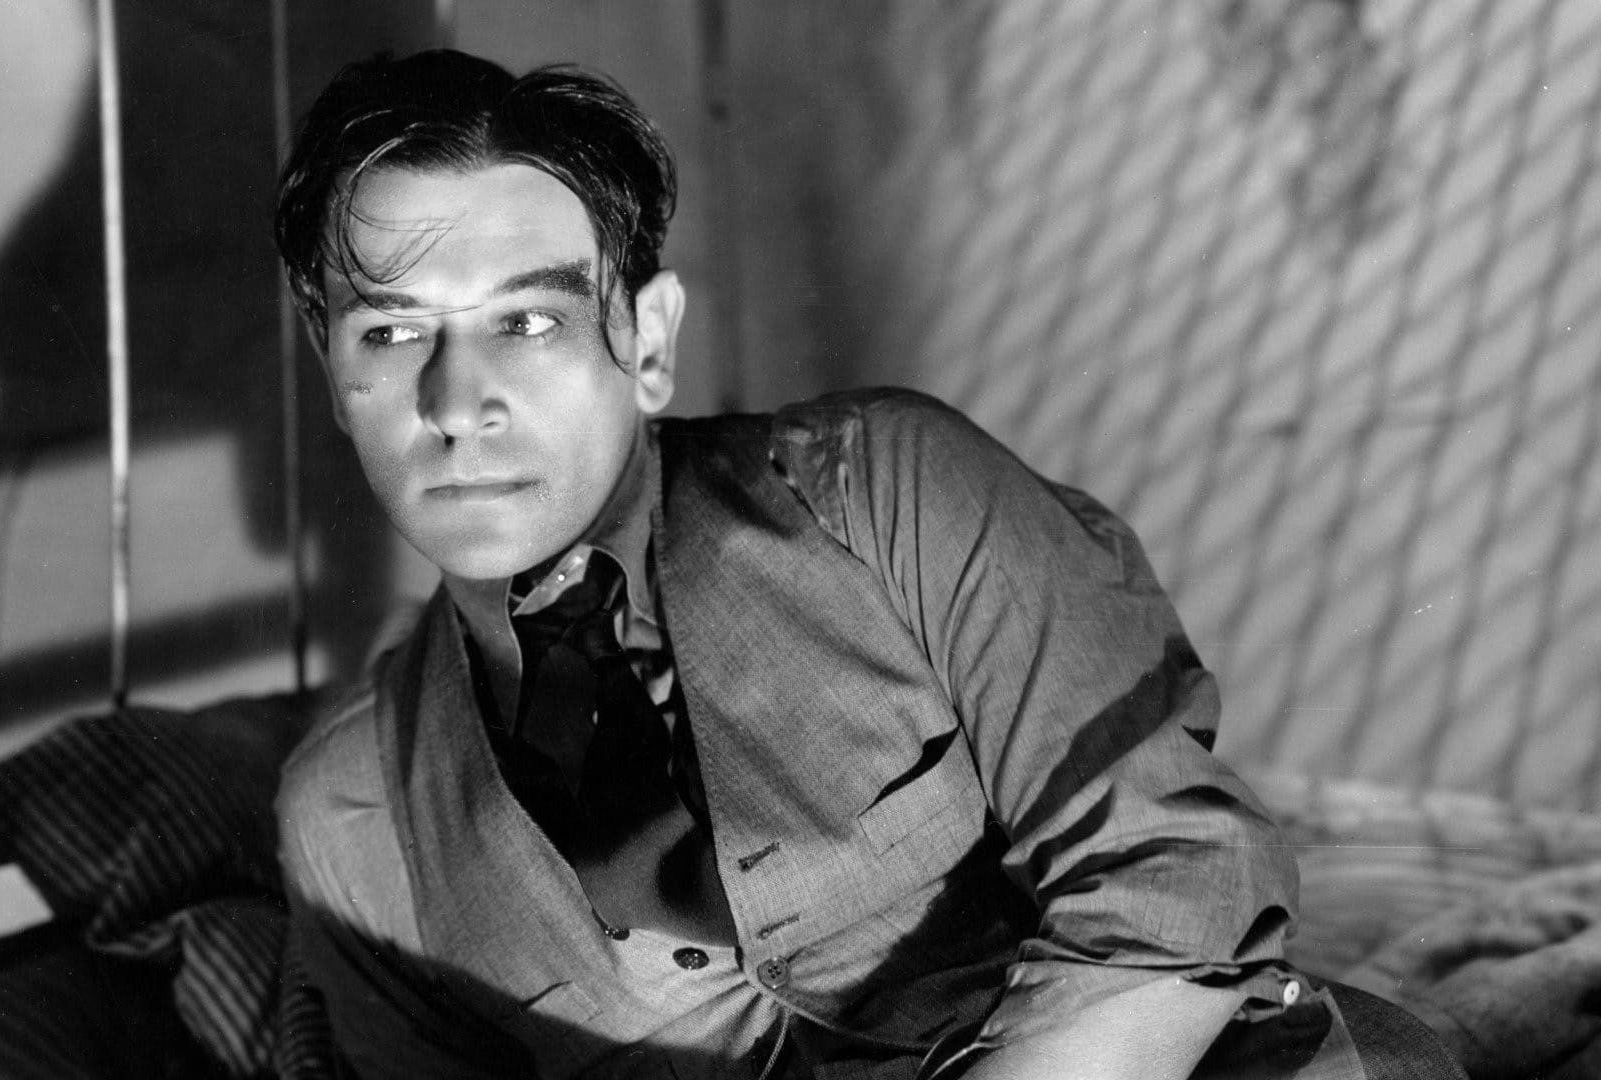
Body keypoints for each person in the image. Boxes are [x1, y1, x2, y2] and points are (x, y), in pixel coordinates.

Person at [270, 48, 1460, 1079]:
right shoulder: (352, 819)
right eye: (394, 332)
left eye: (527, 323)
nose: (457, 403)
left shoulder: (887, 493)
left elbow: (1179, 876)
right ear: (335, 376)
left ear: (647, 342)